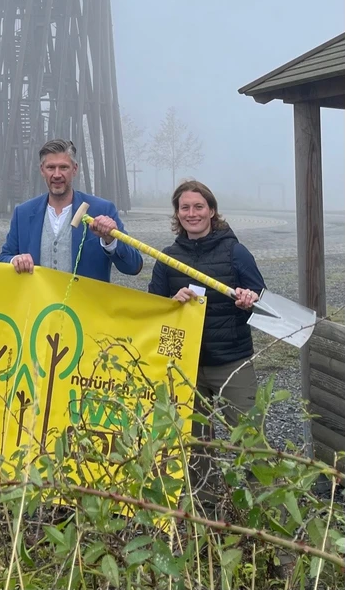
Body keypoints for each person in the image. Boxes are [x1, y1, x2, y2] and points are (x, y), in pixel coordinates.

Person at [146, 180, 266, 513]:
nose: (192, 213)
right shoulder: (167, 258)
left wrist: (249, 299)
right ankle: (207, 520)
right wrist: (173, 302)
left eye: (199, 206)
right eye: (185, 207)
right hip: (185, 366)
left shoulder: (234, 252)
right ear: (177, 214)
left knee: (252, 443)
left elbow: (261, 297)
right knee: (196, 447)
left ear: (211, 211)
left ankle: (268, 522)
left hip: (231, 361)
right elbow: (153, 311)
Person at [0, 138, 143, 282]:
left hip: (85, 304)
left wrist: (110, 240)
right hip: (38, 305)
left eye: (63, 167)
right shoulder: (23, 213)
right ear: (42, 170)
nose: (57, 175)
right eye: (50, 168)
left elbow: (133, 266)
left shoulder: (102, 209)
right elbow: (3, 259)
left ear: (74, 169)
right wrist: (15, 260)